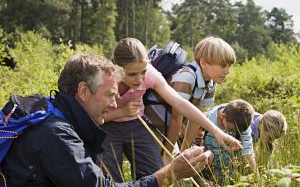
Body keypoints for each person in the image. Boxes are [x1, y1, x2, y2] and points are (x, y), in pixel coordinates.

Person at [1, 53, 214, 187]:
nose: (115, 104)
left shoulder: (54, 110)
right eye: (110, 95)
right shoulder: (56, 135)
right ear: (83, 91)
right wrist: (171, 173)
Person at [100, 37, 242, 182]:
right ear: (117, 68)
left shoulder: (150, 74)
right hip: (107, 126)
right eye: (132, 74)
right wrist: (121, 112)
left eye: (143, 72)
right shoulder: (104, 79)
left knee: (157, 174)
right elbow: (92, 116)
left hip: (137, 124)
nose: (140, 79)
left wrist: (217, 132)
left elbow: (180, 103)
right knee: (109, 177)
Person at [165, 36, 236, 158]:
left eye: (229, 65)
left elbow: (195, 121)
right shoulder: (187, 77)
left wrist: (184, 154)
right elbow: (176, 119)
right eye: (223, 65)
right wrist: (167, 155)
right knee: (162, 165)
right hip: (156, 123)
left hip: (169, 125)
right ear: (203, 63)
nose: (227, 71)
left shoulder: (211, 83)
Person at [203, 99, 256, 185]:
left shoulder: (243, 121)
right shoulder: (205, 120)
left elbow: (248, 157)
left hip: (230, 177)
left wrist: (254, 182)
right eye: (231, 130)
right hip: (208, 176)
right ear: (223, 116)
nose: (233, 133)